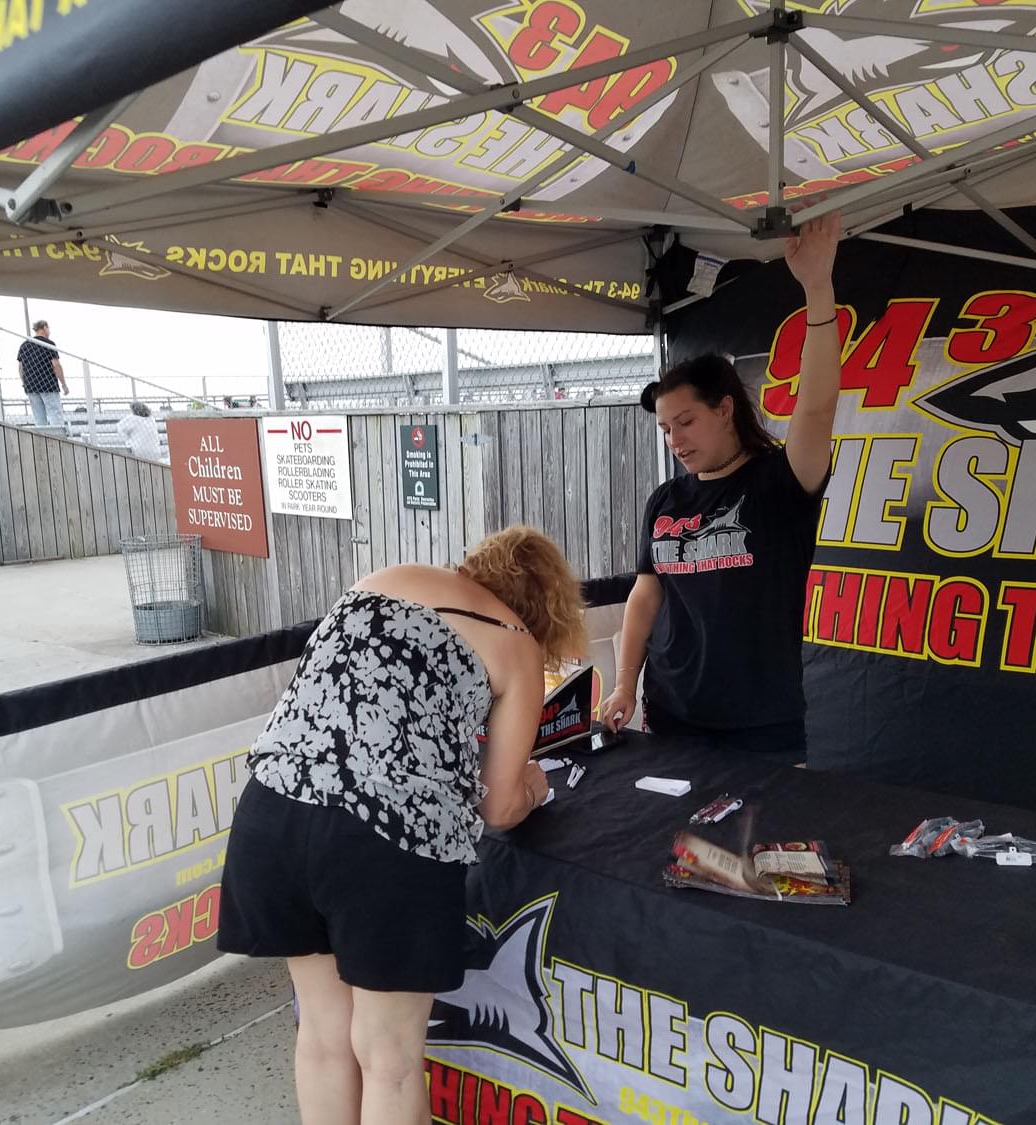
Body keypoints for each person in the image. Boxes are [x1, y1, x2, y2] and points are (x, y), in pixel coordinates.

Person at [218, 526, 587, 1124]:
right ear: (547, 607)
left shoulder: (385, 578)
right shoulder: (516, 642)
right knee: (389, 1057)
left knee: (323, 1033)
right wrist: (534, 785)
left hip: (272, 812)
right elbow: (500, 808)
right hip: (384, 836)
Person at [599, 211, 844, 765]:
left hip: (760, 730)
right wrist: (624, 684)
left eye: (686, 422)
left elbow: (818, 405)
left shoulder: (780, 481)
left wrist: (817, 288)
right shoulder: (666, 500)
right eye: (666, 429)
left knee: (764, 829)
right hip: (672, 716)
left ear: (726, 409)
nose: (675, 440)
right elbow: (646, 595)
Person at [16, 319, 69, 428]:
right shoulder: (49, 344)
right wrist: (63, 384)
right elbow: (56, 365)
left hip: (31, 386)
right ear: (45, 327)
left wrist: (24, 383)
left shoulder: (25, 345)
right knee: (55, 415)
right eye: (48, 328)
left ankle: (41, 438)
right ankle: (57, 437)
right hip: (48, 385)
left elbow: (20, 368)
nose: (49, 331)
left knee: (39, 418)